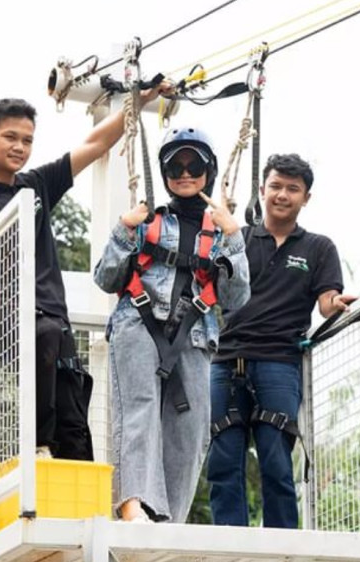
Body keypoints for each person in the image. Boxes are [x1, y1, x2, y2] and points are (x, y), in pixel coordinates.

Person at [0, 89, 164, 461]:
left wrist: (138, 101)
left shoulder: (36, 186)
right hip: (6, 317)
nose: (19, 147)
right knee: (43, 338)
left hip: (53, 318)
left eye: (27, 140)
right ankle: (37, 446)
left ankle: (77, 493)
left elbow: (95, 144)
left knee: (74, 412)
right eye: (10, 137)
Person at [94, 126, 250, 523]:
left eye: (193, 165)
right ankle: (134, 504)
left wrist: (234, 238)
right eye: (175, 166)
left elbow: (235, 299)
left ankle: (169, 519)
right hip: (139, 322)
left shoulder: (221, 233)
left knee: (193, 423)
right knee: (140, 410)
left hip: (194, 333)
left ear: (208, 171)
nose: (184, 173)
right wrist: (124, 230)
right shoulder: (148, 222)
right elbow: (106, 278)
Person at [206, 153, 356, 528]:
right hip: (227, 359)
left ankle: (283, 539)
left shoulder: (318, 248)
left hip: (278, 362)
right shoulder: (238, 239)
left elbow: (325, 304)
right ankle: (230, 539)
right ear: (262, 191)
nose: (282, 195)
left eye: (293, 189)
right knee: (224, 458)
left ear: (306, 197)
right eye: (275, 186)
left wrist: (335, 304)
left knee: (275, 458)